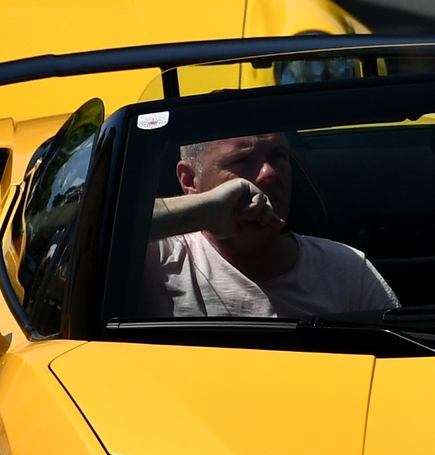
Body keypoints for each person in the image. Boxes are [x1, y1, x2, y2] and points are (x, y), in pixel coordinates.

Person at [143, 133, 396, 318]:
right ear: (189, 179)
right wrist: (204, 209)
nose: (269, 173)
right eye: (243, 161)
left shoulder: (345, 268)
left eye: (278, 157)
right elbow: (106, 222)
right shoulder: (157, 257)